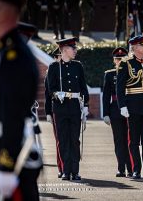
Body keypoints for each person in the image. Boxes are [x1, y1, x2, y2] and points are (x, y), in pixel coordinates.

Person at [0, 0, 41, 200]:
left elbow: (13, 115)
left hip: (10, 163)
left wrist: (6, 169)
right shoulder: (6, 52)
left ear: (1, 10)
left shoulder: (14, 56)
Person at [46, 37, 89, 181]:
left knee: (74, 140)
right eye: (73, 48)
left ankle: (75, 171)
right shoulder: (53, 67)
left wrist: (86, 106)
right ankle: (65, 170)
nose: (75, 51)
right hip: (60, 107)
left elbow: (83, 87)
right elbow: (50, 88)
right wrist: (56, 94)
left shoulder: (78, 66)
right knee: (63, 140)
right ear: (64, 50)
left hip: (75, 107)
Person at [116, 34, 143, 179]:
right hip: (132, 106)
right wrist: (122, 105)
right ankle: (135, 169)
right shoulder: (125, 63)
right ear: (135, 47)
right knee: (134, 140)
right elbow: (119, 87)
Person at [103, 47, 133, 177]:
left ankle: (132, 168)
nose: (119, 61)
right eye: (117, 59)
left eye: (122, 59)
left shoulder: (133, 72)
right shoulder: (109, 74)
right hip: (115, 110)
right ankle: (121, 168)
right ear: (114, 60)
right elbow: (106, 95)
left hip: (131, 108)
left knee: (131, 140)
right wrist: (105, 113)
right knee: (119, 140)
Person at [46, 47, 64, 178]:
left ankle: (69, 167)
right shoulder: (51, 70)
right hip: (55, 108)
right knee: (60, 139)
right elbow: (48, 94)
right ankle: (61, 167)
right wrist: (48, 112)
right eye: (59, 56)